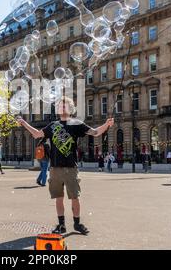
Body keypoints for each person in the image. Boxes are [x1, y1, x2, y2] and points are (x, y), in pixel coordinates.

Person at [17, 96, 115, 235]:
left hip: (71, 167)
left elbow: (95, 132)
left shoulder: (76, 124)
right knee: (58, 197)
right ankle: (61, 225)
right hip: (55, 167)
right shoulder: (53, 125)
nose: (61, 107)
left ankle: (77, 223)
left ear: (71, 108)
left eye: (64, 105)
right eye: (59, 106)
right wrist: (24, 124)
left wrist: (106, 124)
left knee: (75, 197)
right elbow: (37, 135)